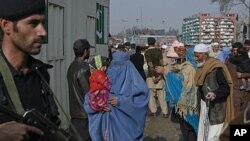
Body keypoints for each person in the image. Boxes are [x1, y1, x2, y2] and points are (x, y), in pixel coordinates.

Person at [0, 0, 61, 140]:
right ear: (6, 26)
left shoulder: (40, 72)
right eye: (33, 23)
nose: (43, 32)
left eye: (42, 23)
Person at [84, 49, 149, 141]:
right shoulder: (103, 79)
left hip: (127, 129)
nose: (115, 68)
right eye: (114, 64)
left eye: (119, 65)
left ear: (128, 65)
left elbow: (142, 99)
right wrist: (98, 105)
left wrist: (121, 101)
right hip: (107, 129)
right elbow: (88, 102)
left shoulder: (136, 83)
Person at [193, 44, 234, 141]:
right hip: (204, 105)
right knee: (204, 134)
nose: (196, 58)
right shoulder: (201, 67)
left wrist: (214, 93)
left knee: (213, 136)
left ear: (205, 55)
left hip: (217, 109)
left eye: (197, 55)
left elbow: (225, 88)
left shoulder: (216, 68)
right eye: (195, 55)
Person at [67, 39, 93, 141]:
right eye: (89, 50)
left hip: (75, 112)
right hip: (84, 114)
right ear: (85, 51)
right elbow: (88, 93)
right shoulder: (84, 68)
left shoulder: (71, 66)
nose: (89, 52)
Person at [144, 37, 168, 118]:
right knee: (162, 96)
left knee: (151, 97)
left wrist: (154, 76)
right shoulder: (159, 51)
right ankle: (165, 112)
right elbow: (161, 63)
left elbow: (150, 65)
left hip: (151, 77)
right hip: (160, 76)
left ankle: (154, 112)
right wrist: (160, 76)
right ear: (154, 43)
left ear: (148, 43)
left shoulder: (147, 52)